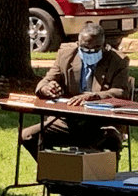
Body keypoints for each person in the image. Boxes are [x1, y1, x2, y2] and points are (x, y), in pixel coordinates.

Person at [19, 22, 129, 160]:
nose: (90, 52)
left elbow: (121, 92)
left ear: (104, 44)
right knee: (27, 136)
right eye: (85, 48)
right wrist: (46, 89)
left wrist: (93, 96)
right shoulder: (66, 55)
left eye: (95, 48)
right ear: (78, 43)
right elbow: (46, 81)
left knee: (103, 141)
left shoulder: (118, 61)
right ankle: (57, 173)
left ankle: (89, 175)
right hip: (67, 121)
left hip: (101, 123)